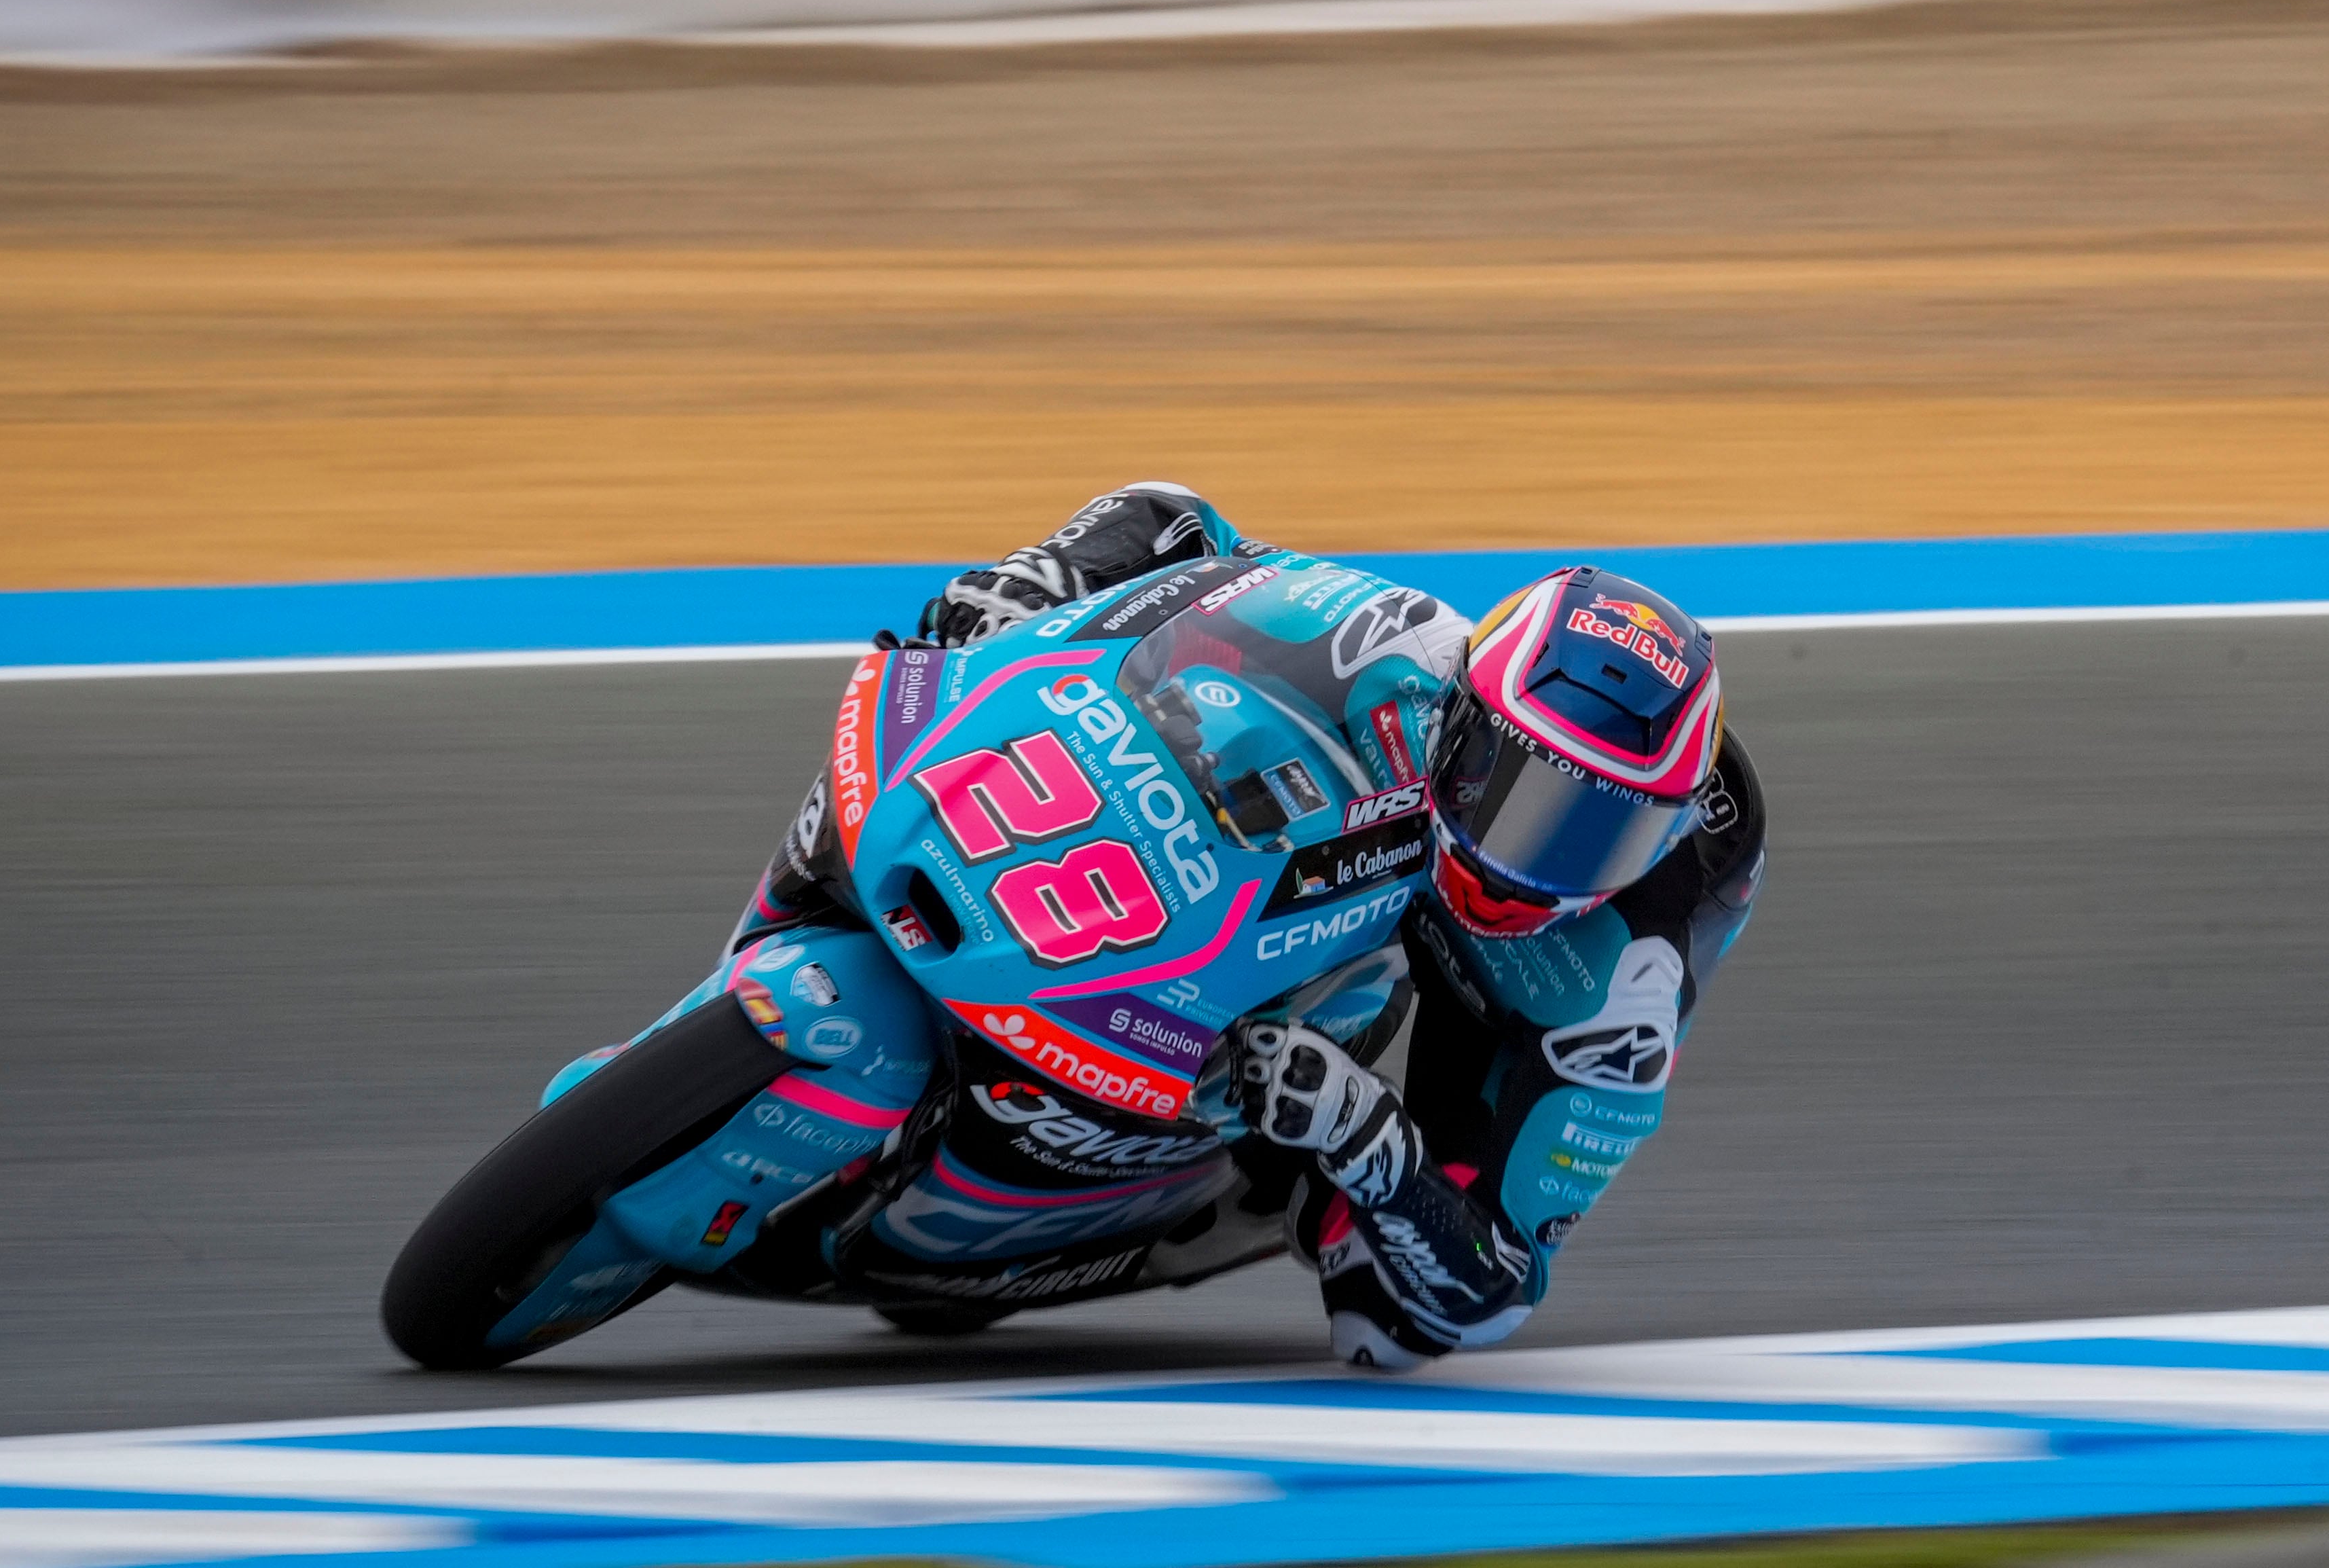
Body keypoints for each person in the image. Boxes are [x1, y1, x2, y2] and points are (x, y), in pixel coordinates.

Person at [747, 481, 1767, 1368]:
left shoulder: (1624, 966)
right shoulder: (1409, 657)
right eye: (1510, 789)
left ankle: (1233, 1154)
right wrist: (1029, 586)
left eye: (1589, 835)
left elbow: (1494, 1287)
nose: (1522, 859)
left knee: (1389, 1321)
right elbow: (1173, 521)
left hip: (1511, 982)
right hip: (1380, 828)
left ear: (1661, 836)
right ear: (1467, 711)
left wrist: (1366, 1140)